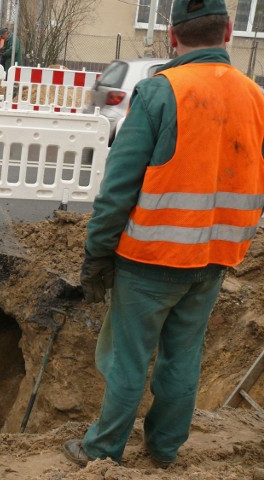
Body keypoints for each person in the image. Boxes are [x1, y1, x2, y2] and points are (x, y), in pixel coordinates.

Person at [63, 0, 264, 470]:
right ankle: (165, 448)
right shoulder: (256, 98)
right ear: (229, 31)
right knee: (182, 357)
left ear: (173, 37)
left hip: (151, 257)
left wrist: (97, 254)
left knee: (126, 358)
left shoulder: (160, 92)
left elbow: (118, 188)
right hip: (216, 257)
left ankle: (103, 449)